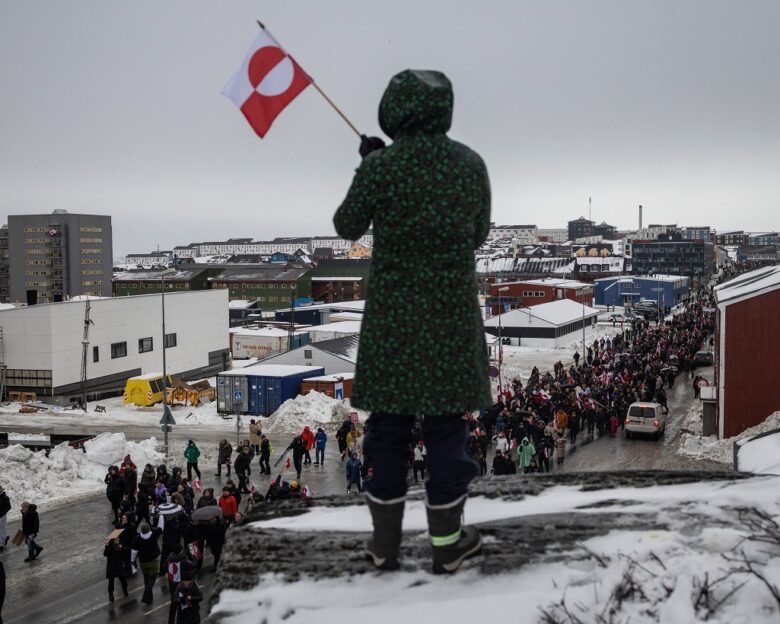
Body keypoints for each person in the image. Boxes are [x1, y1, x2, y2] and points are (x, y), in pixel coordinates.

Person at [334, 69, 489, 574]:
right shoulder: (469, 165)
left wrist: (372, 167)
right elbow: (479, 234)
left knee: (389, 429)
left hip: (393, 320)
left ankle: (384, 546)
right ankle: (446, 543)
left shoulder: (383, 167)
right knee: (447, 431)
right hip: (449, 317)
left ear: (392, 109)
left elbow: (346, 225)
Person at [131, 516, 164, 604]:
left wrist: (132, 561)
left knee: (146, 579)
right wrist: (161, 515)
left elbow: (134, 551)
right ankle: (146, 594)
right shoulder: (154, 535)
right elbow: (161, 527)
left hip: (143, 563)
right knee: (152, 579)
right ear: (149, 529)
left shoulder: (137, 539)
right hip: (153, 562)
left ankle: (150, 599)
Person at [103, 535, 129, 601]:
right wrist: (106, 546)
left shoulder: (120, 545)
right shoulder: (109, 547)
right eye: (116, 539)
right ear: (113, 540)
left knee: (123, 579)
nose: (117, 540)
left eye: (118, 538)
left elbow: (125, 553)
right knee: (111, 582)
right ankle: (111, 595)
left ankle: (125, 590)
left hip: (119, 565)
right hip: (111, 566)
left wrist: (122, 548)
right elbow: (105, 554)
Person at [0, 486, 10, 553]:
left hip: (2, 516)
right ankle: (4, 539)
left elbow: (8, 507)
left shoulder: (5, 498)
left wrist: (2, 513)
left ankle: (1, 545)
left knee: (2, 530)